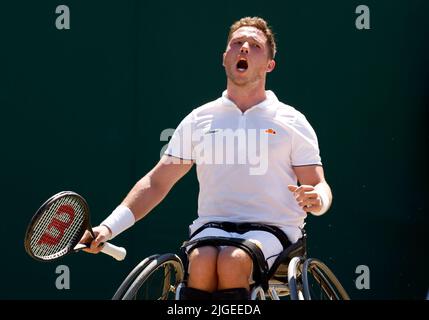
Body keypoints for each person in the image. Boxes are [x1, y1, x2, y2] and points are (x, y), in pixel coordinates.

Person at [79, 16, 333, 300]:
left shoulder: (292, 120)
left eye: (255, 45)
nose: (244, 48)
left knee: (232, 261)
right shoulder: (199, 119)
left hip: (275, 231)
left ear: (269, 65)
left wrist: (318, 199)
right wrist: (108, 227)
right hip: (212, 229)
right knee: (200, 262)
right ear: (225, 58)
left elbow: (319, 185)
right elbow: (157, 182)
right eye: (237, 43)